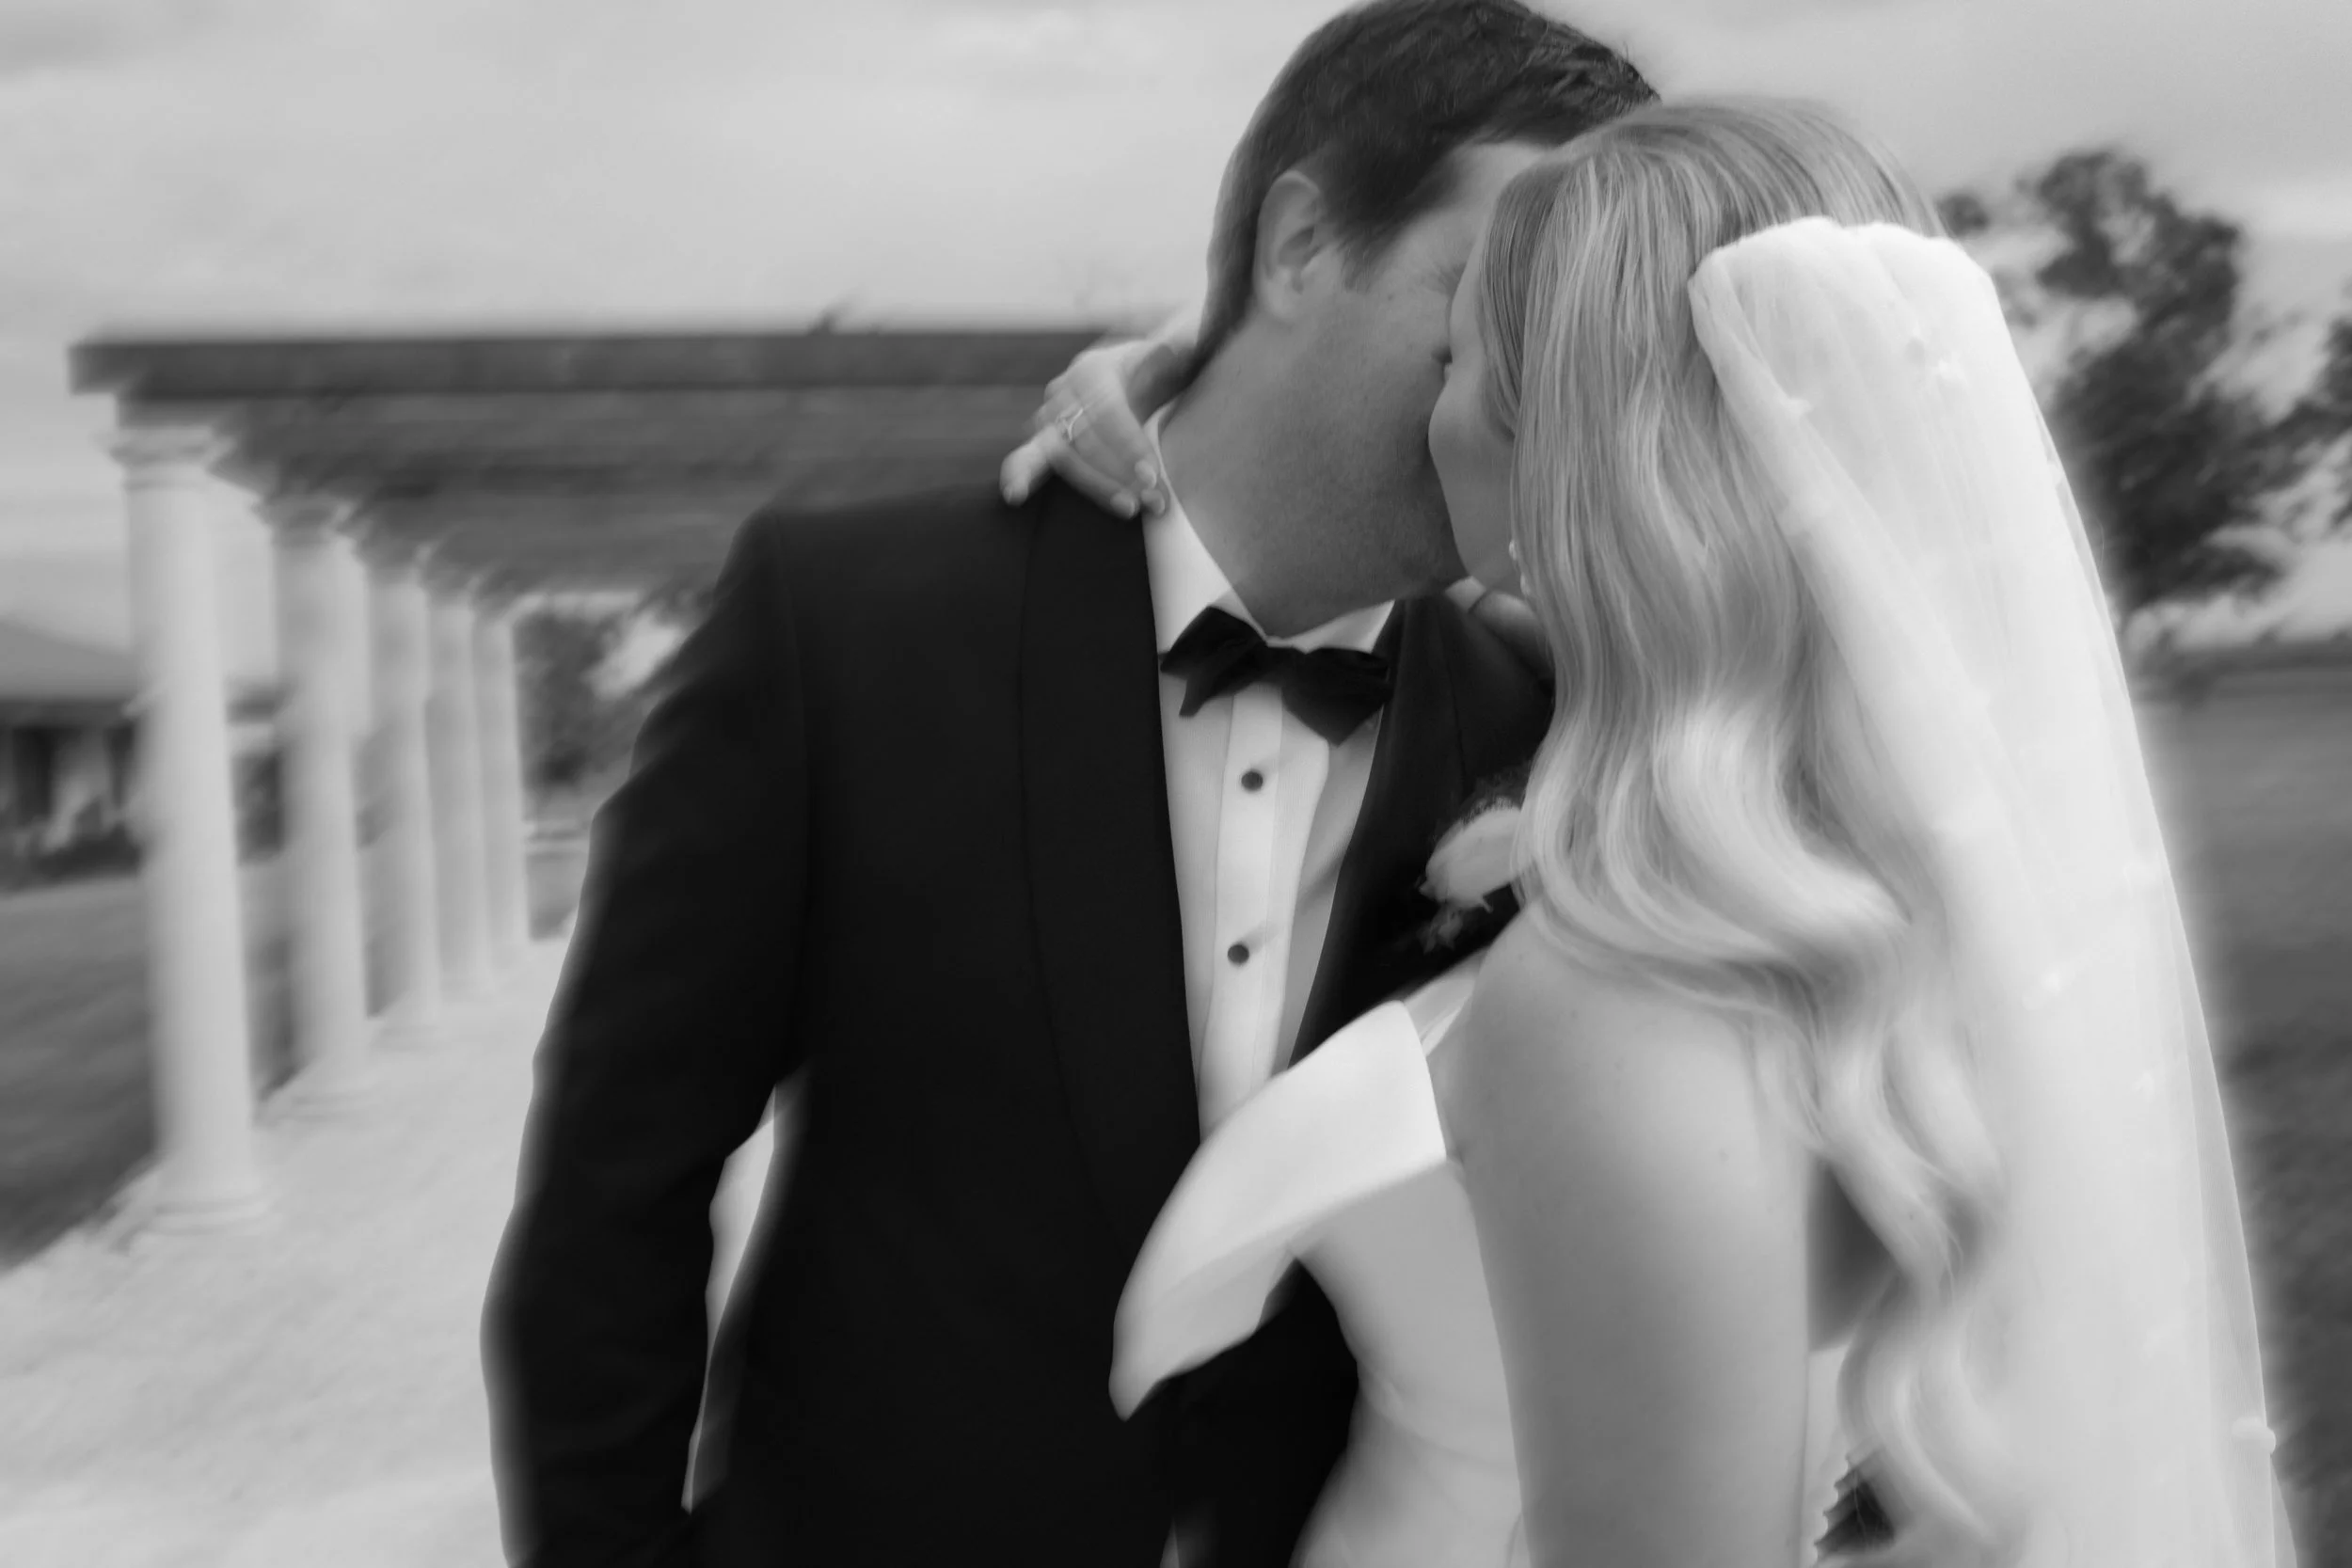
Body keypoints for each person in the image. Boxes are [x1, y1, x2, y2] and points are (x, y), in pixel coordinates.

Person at [1011, 100, 2299, 1567]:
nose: (1426, 408)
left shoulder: (1622, 998)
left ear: (1549, 437)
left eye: (1459, 359)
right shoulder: (1911, 866)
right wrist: (1183, 388)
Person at [480, 4, 1655, 1566]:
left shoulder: (1554, 731)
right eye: (1496, 300)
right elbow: (608, 1214)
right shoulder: (845, 631)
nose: (1532, 385)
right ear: (1302, 244)